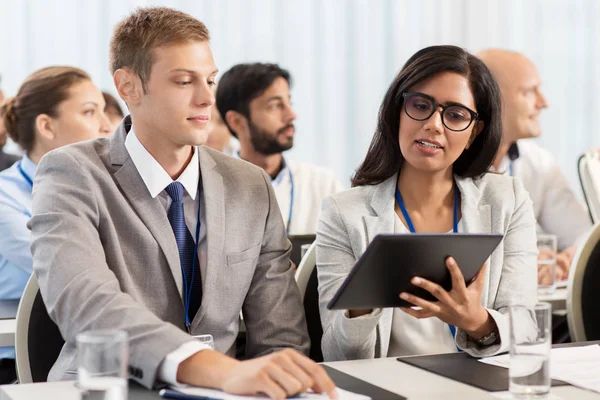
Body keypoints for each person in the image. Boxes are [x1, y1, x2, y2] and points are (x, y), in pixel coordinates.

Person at [29, 8, 336, 399]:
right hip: (111, 389)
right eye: (184, 81)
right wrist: (218, 370)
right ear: (128, 87)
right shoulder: (72, 173)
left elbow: (281, 336)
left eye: (210, 80)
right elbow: (87, 306)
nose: (208, 97)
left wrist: (281, 384)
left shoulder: (250, 185)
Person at [317, 45, 538, 361]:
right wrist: (360, 304)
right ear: (397, 113)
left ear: (474, 133)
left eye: (455, 115)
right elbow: (338, 356)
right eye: (421, 105)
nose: (434, 124)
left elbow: (528, 328)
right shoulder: (342, 213)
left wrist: (476, 322)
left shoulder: (508, 200)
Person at [0, 66, 111, 384]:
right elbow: (67, 266)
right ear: (47, 126)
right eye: (90, 112)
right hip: (18, 365)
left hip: (100, 352)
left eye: (104, 111)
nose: (107, 126)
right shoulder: (3, 196)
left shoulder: (108, 189)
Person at [477, 49, 591, 282]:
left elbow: (583, 235)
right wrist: (523, 260)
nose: (543, 103)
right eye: (529, 92)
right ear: (490, 98)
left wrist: (569, 259)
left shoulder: (538, 161)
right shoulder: (446, 162)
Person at [216, 63, 343, 235]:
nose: (291, 115)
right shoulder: (210, 190)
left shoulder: (324, 185)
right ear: (236, 121)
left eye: (289, 102)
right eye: (275, 106)